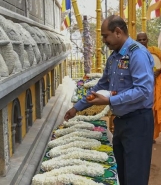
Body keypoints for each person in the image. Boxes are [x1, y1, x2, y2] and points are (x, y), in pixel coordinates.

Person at [64, 15, 155, 185]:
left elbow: (144, 91)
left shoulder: (137, 54)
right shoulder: (114, 57)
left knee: (136, 175)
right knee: (122, 172)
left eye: (106, 36)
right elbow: (101, 85)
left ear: (118, 32)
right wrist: (77, 107)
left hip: (138, 121)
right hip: (121, 121)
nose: (104, 40)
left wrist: (110, 100)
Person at [137, 32, 161, 143]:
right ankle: (141, 135)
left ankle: (151, 136)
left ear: (147, 40)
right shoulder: (134, 53)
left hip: (155, 85)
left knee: (153, 110)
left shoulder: (155, 52)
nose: (142, 42)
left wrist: (156, 73)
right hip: (141, 86)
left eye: (144, 39)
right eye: (140, 40)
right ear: (136, 41)